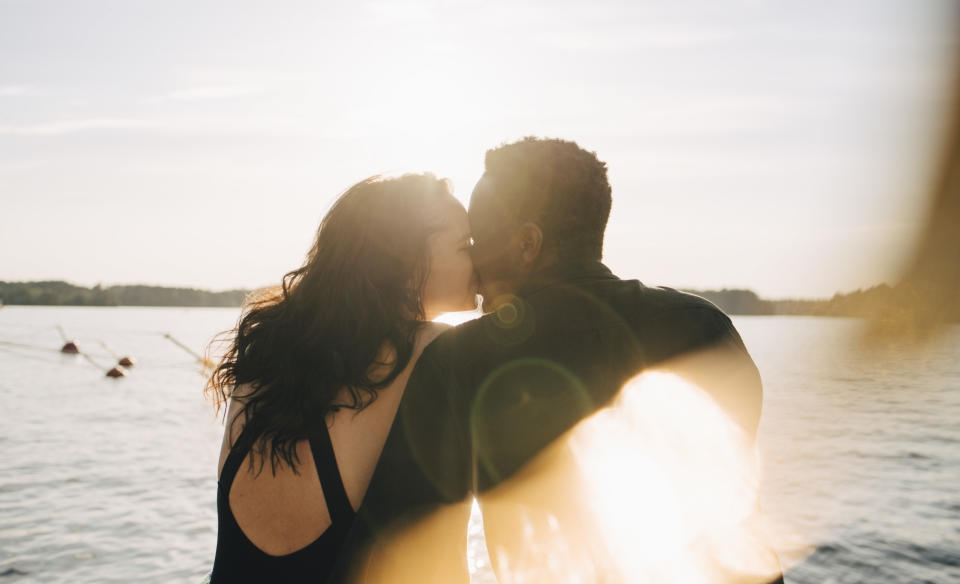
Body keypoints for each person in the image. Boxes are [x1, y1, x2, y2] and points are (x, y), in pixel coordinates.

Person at [333, 137, 781, 583]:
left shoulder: (458, 362)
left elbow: (409, 561)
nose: (474, 266)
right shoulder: (705, 328)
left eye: (480, 242)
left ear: (527, 243)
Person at [205, 173, 478, 583]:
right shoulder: (437, 352)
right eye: (466, 246)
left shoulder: (266, 345)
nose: (482, 257)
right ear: (406, 263)